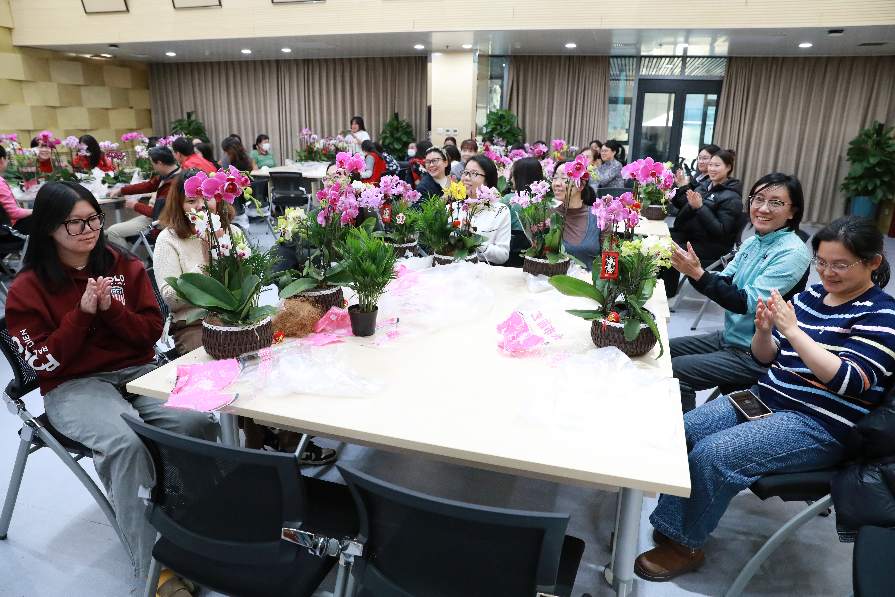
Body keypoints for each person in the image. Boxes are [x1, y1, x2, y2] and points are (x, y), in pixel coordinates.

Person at [636, 215, 895, 582]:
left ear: (873, 262)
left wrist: (792, 330)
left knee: (714, 455)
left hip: (818, 422)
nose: (827, 272)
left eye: (841, 265)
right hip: (766, 396)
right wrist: (764, 332)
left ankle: (683, 546)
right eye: (821, 262)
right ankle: (674, 523)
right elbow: (766, 358)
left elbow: (848, 381)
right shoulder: (811, 297)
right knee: (684, 431)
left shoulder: (882, 315)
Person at [4, 181, 219, 588]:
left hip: (138, 370)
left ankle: (200, 528)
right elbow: (43, 363)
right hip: (73, 384)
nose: (88, 229)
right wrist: (82, 316)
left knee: (197, 422)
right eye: (75, 222)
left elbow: (151, 334)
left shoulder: (124, 265)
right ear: (49, 227)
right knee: (125, 445)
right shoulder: (28, 289)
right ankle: (156, 569)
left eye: (94, 219)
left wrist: (112, 310)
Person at [668, 173, 811, 412]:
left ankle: (684, 432)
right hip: (732, 336)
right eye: (758, 199)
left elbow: (745, 302)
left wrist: (698, 274)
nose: (763, 208)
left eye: (776, 202)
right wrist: (695, 271)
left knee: (674, 371)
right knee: (663, 350)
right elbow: (722, 282)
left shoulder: (792, 252)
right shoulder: (754, 242)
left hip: (756, 351)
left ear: (792, 212)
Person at [662, 149, 743, 297]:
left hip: (713, 245)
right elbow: (683, 214)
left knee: (670, 250)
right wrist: (688, 199)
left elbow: (720, 230)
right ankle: (656, 288)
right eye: (710, 165)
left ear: (728, 167)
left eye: (717, 165)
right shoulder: (703, 186)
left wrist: (700, 207)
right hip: (694, 236)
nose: (712, 169)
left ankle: (668, 294)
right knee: (658, 240)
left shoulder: (732, 198)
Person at [105, 147, 180, 248]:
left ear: (160, 163)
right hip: (155, 218)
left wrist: (136, 205)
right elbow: (148, 186)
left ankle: (127, 259)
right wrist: (121, 190)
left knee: (113, 232)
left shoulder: (173, 184)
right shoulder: (173, 174)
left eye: (153, 164)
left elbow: (159, 214)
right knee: (112, 230)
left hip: (159, 222)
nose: (153, 167)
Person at [457, 155, 511, 265]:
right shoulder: (453, 208)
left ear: (487, 181)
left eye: (474, 173)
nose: (466, 178)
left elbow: (503, 255)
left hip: (485, 271)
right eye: (465, 172)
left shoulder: (500, 211)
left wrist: (476, 241)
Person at [551, 160, 601, 270]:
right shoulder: (547, 216)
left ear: (581, 185)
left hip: (589, 280)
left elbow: (611, 259)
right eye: (555, 177)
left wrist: (594, 276)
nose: (557, 183)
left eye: (564, 178)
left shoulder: (599, 217)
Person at [502, 157, 544, 266]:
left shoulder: (509, 200)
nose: (511, 179)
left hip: (509, 260)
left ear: (519, 178)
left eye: (513, 176)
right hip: (538, 261)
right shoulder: (547, 203)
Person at [670, 144, 720, 210]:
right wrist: (680, 187)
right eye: (699, 158)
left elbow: (689, 206)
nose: (701, 162)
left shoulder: (712, 182)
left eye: (705, 158)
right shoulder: (697, 178)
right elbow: (679, 205)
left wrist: (683, 187)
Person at [0, 145, 34, 234]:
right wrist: (37, 210)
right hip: (8, 228)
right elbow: (14, 213)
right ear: (2, 160)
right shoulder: (0, 183)